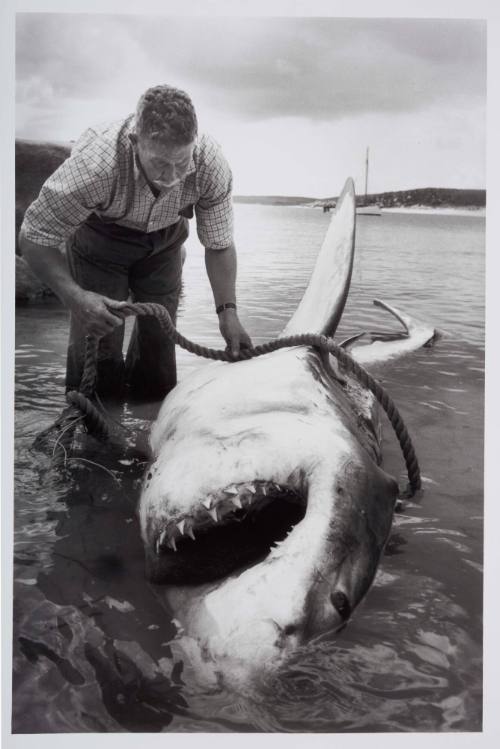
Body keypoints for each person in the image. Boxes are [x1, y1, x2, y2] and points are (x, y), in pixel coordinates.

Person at [19, 84, 253, 401]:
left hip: (166, 242)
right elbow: (33, 236)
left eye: (181, 164)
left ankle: (147, 431)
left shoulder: (211, 164)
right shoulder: (95, 166)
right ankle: (89, 432)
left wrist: (228, 312)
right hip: (99, 241)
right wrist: (75, 297)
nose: (171, 178)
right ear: (134, 143)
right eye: (160, 165)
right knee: (100, 340)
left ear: (194, 145)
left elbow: (220, 243)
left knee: (159, 345)